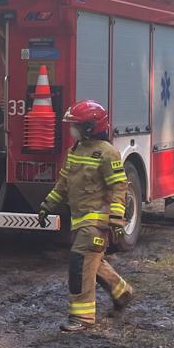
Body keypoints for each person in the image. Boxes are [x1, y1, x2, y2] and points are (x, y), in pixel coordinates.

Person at [38, 100, 136, 331]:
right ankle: (122, 293)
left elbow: (118, 188)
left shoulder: (107, 153)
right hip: (81, 221)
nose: (72, 130)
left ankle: (82, 318)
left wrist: (115, 220)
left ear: (91, 126)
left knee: (80, 263)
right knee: (92, 262)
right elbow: (63, 185)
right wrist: (46, 205)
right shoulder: (76, 151)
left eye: (76, 125)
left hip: (96, 221)